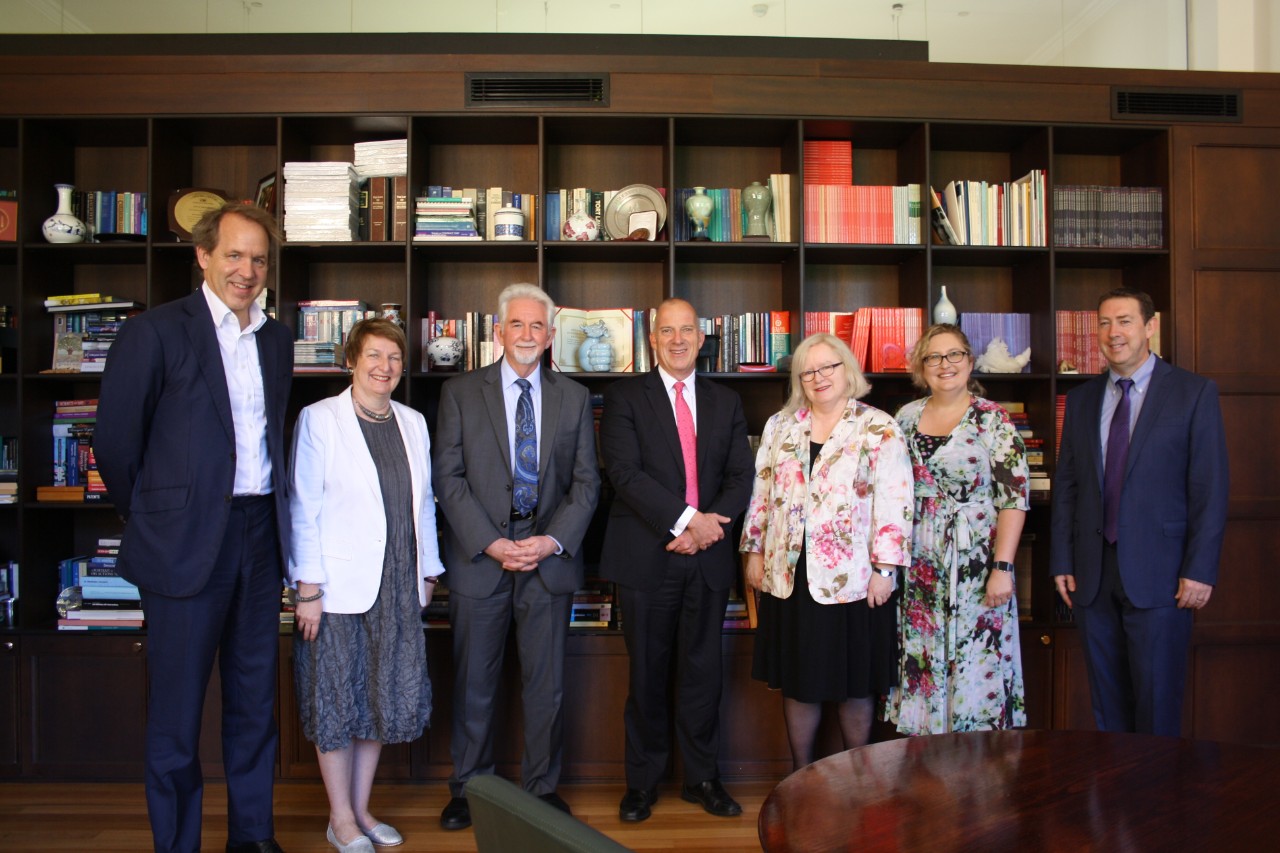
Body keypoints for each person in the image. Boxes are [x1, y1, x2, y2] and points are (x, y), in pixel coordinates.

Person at [95, 202, 292, 853]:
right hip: (183, 545)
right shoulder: (155, 333)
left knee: (254, 707)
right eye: (234, 254)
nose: (247, 270)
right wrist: (158, 514)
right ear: (203, 256)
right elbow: (115, 445)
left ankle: (253, 840)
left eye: (258, 258)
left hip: (260, 535)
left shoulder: (276, 337)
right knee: (176, 720)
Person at [431, 283, 600, 830]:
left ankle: (541, 790)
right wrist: (490, 541)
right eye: (517, 325)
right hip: (482, 562)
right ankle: (468, 788)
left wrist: (550, 541)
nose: (527, 335)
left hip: (547, 563)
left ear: (551, 336)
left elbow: (585, 485)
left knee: (545, 686)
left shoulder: (574, 397)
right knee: (474, 684)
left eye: (537, 327)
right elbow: (448, 479)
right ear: (498, 332)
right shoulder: (459, 392)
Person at [289, 318, 444, 853]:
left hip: (399, 583)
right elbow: (302, 507)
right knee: (336, 699)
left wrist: (429, 570)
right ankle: (339, 819)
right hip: (336, 588)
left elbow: (422, 503)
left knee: (378, 698)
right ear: (351, 359)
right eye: (374, 356)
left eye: (394, 358)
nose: (385, 367)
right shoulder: (320, 419)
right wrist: (307, 589)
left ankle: (360, 809)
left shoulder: (414, 422)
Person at [600, 298, 754, 823]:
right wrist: (689, 521)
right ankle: (641, 785)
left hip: (707, 557)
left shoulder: (726, 401)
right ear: (653, 339)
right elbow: (624, 474)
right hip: (648, 556)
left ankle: (703, 779)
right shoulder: (624, 397)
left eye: (687, 329)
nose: (678, 339)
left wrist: (706, 530)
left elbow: (741, 478)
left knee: (703, 674)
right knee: (646, 676)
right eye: (668, 331)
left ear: (701, 337)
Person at [1051, 288, 1228, 736]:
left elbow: (1209, 488)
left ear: (1150, 327)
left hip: (1164, 575)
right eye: (1106, 323)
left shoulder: (1192, 392)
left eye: (1126, 321)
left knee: (1156, 705)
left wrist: (1200, 570)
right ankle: (1115, 804)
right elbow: (1067, 486)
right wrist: (1062, 561)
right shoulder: (1082, 400)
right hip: (1092, 575)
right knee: (1107, 709)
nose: (1115, 333)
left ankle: (1157, 804)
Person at [741, 333, 913, 769]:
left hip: (855, 580)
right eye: (808, 371)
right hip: (790, 577)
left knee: (855, 686)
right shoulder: (781, 425)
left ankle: (857, 783)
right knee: (801, 684)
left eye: (828, 367)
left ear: (847, 370)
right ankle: (803, 779)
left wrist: (886, 569)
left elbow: (895, 501)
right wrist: (754, 551)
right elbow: (761, 492)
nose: (818, 378)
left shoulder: (879, 427)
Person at [885, 324, 1030, 736]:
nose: (945, 365)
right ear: (920, 367)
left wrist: (1002, 566)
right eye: (934, 357)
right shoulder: (905, 418)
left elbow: (1014, 499)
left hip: (977, 563)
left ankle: (977, 775)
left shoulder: (993, 420)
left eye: (954, 355)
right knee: (924, 652)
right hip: (919, 562)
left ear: (969, 361)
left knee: (974, 657)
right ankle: (927, 770)